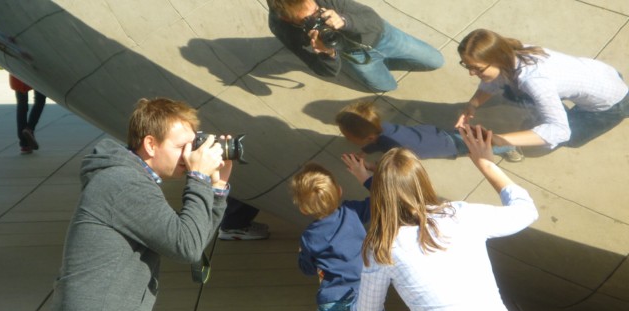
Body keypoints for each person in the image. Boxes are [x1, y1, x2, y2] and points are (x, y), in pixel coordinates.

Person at [46, 98, 232, 311]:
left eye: (192, 145)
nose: (189, 155)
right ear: (150, 144)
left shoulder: (126, 178)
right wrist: (198, 178)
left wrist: (217, 188)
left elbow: (193, 238)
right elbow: (186, 247)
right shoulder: (124, 183)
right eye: (181, 146)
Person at [351, 124, 539, 311]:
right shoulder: (461, 215)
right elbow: (526, 211)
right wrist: (486, 163)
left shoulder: (383, 246)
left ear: (379, 195)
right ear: (424, 183)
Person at [456, 28, 629, 149]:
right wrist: (472, 105)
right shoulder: (513, 51)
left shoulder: (535, 82)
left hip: (611, 103)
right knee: (516, 93)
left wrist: (500, 140)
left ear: (498, 58)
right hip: (604, 73)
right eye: (467, 65)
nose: (472, 73)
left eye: (477, 68)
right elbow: (493, 80)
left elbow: (561, 132)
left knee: (574, 138)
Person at [289, 156, 372, 311]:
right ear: (340, 191)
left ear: (303, 209)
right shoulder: (353, 212)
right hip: (364, 299)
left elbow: (307, 269)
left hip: (331, 303)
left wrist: (302, 254)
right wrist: (365, 177)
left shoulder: (309, 236)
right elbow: (383, 199)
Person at [267, 0, 444, 92]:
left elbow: (374, 21)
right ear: (286, 18)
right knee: (386, 87)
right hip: (355, 55)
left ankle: (388, 61)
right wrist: (328, 53)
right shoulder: (283, 28)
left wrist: (345, 21)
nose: (317, 18)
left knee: (436, 61)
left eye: (316, 11)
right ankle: (381, 65)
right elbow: (326, 71)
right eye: (307, 19)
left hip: (382, 37)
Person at [336, 100, 523, 164]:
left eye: (350, 138)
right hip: (435, 134)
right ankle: (499, 142)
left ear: (368, 137)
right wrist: (364, 151)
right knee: (466, 137)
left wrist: (376, 167)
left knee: (475, 147)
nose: (347, 139)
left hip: (446, 146)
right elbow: (375, 143)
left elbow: (400, 161)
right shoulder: (380, 127)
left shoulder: (391, 146)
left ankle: (506, 146)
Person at [9, 74, 46, 154]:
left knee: (22, 104)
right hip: (36, 70)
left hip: (18, 70)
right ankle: (29, 128)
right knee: (40, 100)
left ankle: (24, 144)